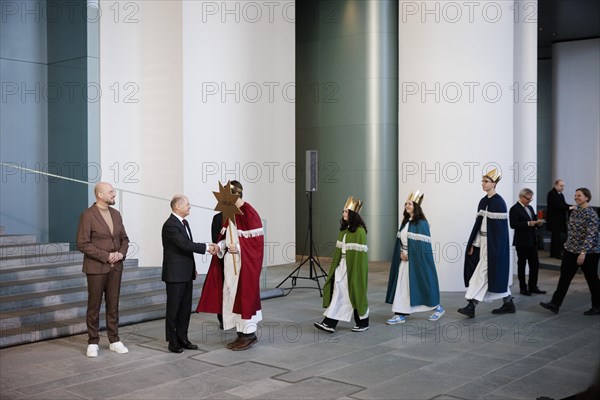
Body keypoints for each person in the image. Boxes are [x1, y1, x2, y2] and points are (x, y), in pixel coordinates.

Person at [197, 181, 265, 351]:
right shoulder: (230, 214)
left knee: (244, 297)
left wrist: (240, 247)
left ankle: (249, 335)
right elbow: (225, 239)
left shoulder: (249, 212)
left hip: (244, 266)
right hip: (230, 264)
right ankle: (241, 334)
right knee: (232, 297)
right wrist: (219, 247)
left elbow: (257, 244)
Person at [76, 182, 130, 358]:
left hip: (116, 267)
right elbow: (82, 243)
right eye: (111, 192)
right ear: (100, 194)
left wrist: (120, 254)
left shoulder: (116, 214)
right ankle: (93, 342)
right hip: (96, 267)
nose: (114, 194)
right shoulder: (88, 215)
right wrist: (106, 255)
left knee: (113, 305)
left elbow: (124, 239)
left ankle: (114, 340)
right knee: (94, 306)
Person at [162, 194, 218, 353]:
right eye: (187, 204)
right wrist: (208, 247)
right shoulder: (170, 225)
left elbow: (185, 250)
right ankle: (172, 341)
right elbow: (185, 245)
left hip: (186, 272)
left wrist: (192, 267)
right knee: (173, 309)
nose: (190, 207)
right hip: (174, 274)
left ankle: (183, 338)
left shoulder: (183, 222)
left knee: (185, 308)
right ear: (177, 207)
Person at [458, 168, 513, 318]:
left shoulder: (499, 203)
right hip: (482, 242)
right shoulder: (483, 201)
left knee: (482, 273)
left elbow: (501, 233)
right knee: (491, 275)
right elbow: (479, 225)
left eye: (486, 181)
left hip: (493, 246)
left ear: (494, 184)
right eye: (483, 181)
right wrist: (474, 245)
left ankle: (471, 305)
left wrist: (496, 250)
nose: (483, 183)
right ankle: (509, 303)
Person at [385, 191, 444, 324]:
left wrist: (411, 255)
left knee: (422, 285)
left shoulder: (422, 223)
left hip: (416, 261)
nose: (407, 205)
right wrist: (401, 252)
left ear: (416, 206)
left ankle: (438, 308)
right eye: (406, 203)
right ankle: (400, 314)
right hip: (404, 260)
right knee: (403, 287)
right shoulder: (405, 222)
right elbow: (400, 242)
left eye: (410, 203)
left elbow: (423, 247)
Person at [540, 188, 600, 315]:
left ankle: (597, 306)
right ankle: (555, 304)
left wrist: (583, 253)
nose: (576, 197)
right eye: (575, 195)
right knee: (564, 278)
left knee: (592, 279)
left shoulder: (592, 214)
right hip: (570, 250)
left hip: (589, 253)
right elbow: (572, 232)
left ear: (587, 198)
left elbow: (591, 235)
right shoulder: (575, 212)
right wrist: (566, 245)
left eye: (579, 195)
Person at [314, 196, 369, 333]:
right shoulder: (344, 231)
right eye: (343, 211)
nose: (343, 213)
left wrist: (355, 273)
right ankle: (331, 323)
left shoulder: (359, 232)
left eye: (346, 211)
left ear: (353, 214)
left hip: (353, 268)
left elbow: (359, 258)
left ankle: (358, 322)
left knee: (351, 293)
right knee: (340, 292)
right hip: (342, 266)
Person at [509, 188, 546, 296]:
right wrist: (528, 223)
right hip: (521, 242)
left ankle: (533, 287)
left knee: (535, 265)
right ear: (521, 197)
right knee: (522, 265)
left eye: (531, 199)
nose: (529, 201)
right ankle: (523, 288)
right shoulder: (514, 209)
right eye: (528, 199)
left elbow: (534, 221)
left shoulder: (530, 207)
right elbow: (513, 225)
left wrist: (538, 224)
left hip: (532, 241)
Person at [546, 179, 571, 259]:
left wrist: (570, 206)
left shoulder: (560, 194)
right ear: (555, 185)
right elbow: (558, 205)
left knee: (556, 237)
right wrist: (570, 207)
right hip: (554, 220)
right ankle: (556, 254)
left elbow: (563, 204)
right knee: (556, 237)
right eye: (561, 186)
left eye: (563, 186)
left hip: (559, 219)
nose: (562, 187)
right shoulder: (551, 194)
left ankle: (554, 253)